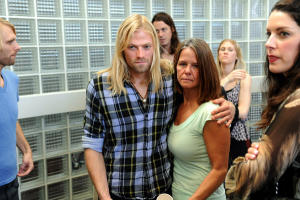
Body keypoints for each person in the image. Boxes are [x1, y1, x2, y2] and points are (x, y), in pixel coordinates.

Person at [83, 14, 236, 200]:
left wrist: (230, 106)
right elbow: (92, 145)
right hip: (119, 193)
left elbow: (204, 91)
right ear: (122, 48)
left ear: (155, 46)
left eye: (146, 47)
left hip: (164, 191)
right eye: (132, 47)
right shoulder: (100, 87)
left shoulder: (169, 78)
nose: (140, 55)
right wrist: (104, 196)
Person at [225, 0, 300, 199]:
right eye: (269, 34)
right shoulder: (287, 90)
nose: (269, 43)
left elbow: (245, 182)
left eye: (283, 33)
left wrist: (243, 165)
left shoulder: (298, 102)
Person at [168, 38, 230, 200]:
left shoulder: (211, 113)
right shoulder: (177, 104)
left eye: (195, 66)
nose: (187, 71)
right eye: (182, 64)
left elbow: (220, 170)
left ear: (206, 70)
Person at [0, 18, 34, 200]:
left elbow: (9, 120)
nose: (18, 46)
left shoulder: (11, 80)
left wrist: (26, 150)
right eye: (10, 42)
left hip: (10, 182)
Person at [217, 39, 252, 166]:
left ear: (236, 56)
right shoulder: (213, 77)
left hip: (237, 135)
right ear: (218, 54)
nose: (226, 52)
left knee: (238, 177)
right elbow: (208, 99)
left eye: (230, 50)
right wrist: (227, 79)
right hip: (215, 134)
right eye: (223, 49)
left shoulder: (244, 78)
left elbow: (243, 112)